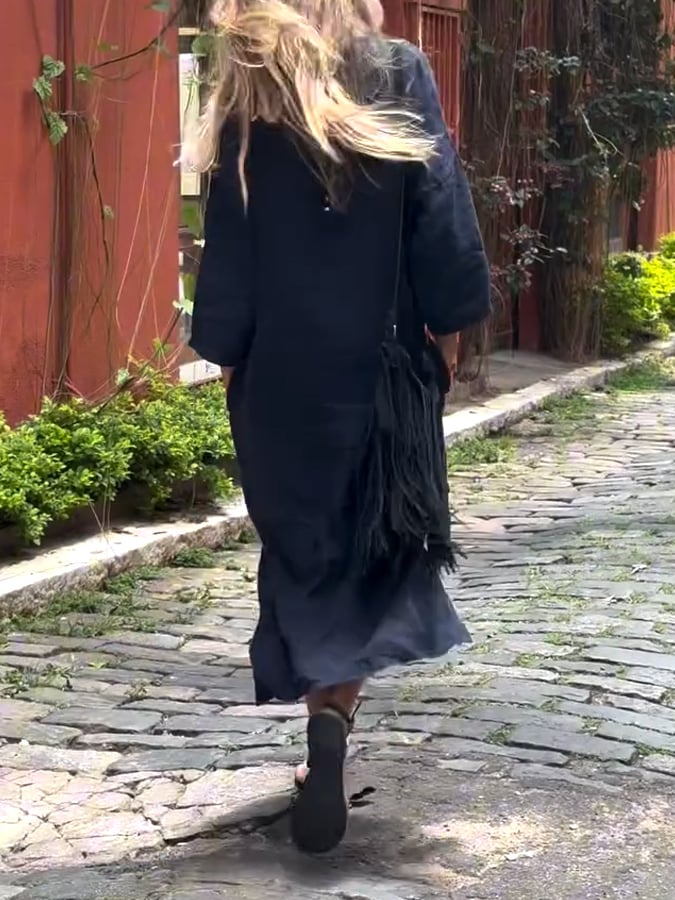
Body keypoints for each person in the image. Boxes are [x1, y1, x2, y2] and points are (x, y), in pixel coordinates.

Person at [186, 0, 491, 855]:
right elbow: (438, 205)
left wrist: (228, 352)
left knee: (305, 549)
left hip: (281, 370)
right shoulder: (395, 70)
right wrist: (448, 326)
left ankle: (321, 726)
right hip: (381, 366)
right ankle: (332, 721)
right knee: (371, 546)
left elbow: (229, 230)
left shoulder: (251, 89)